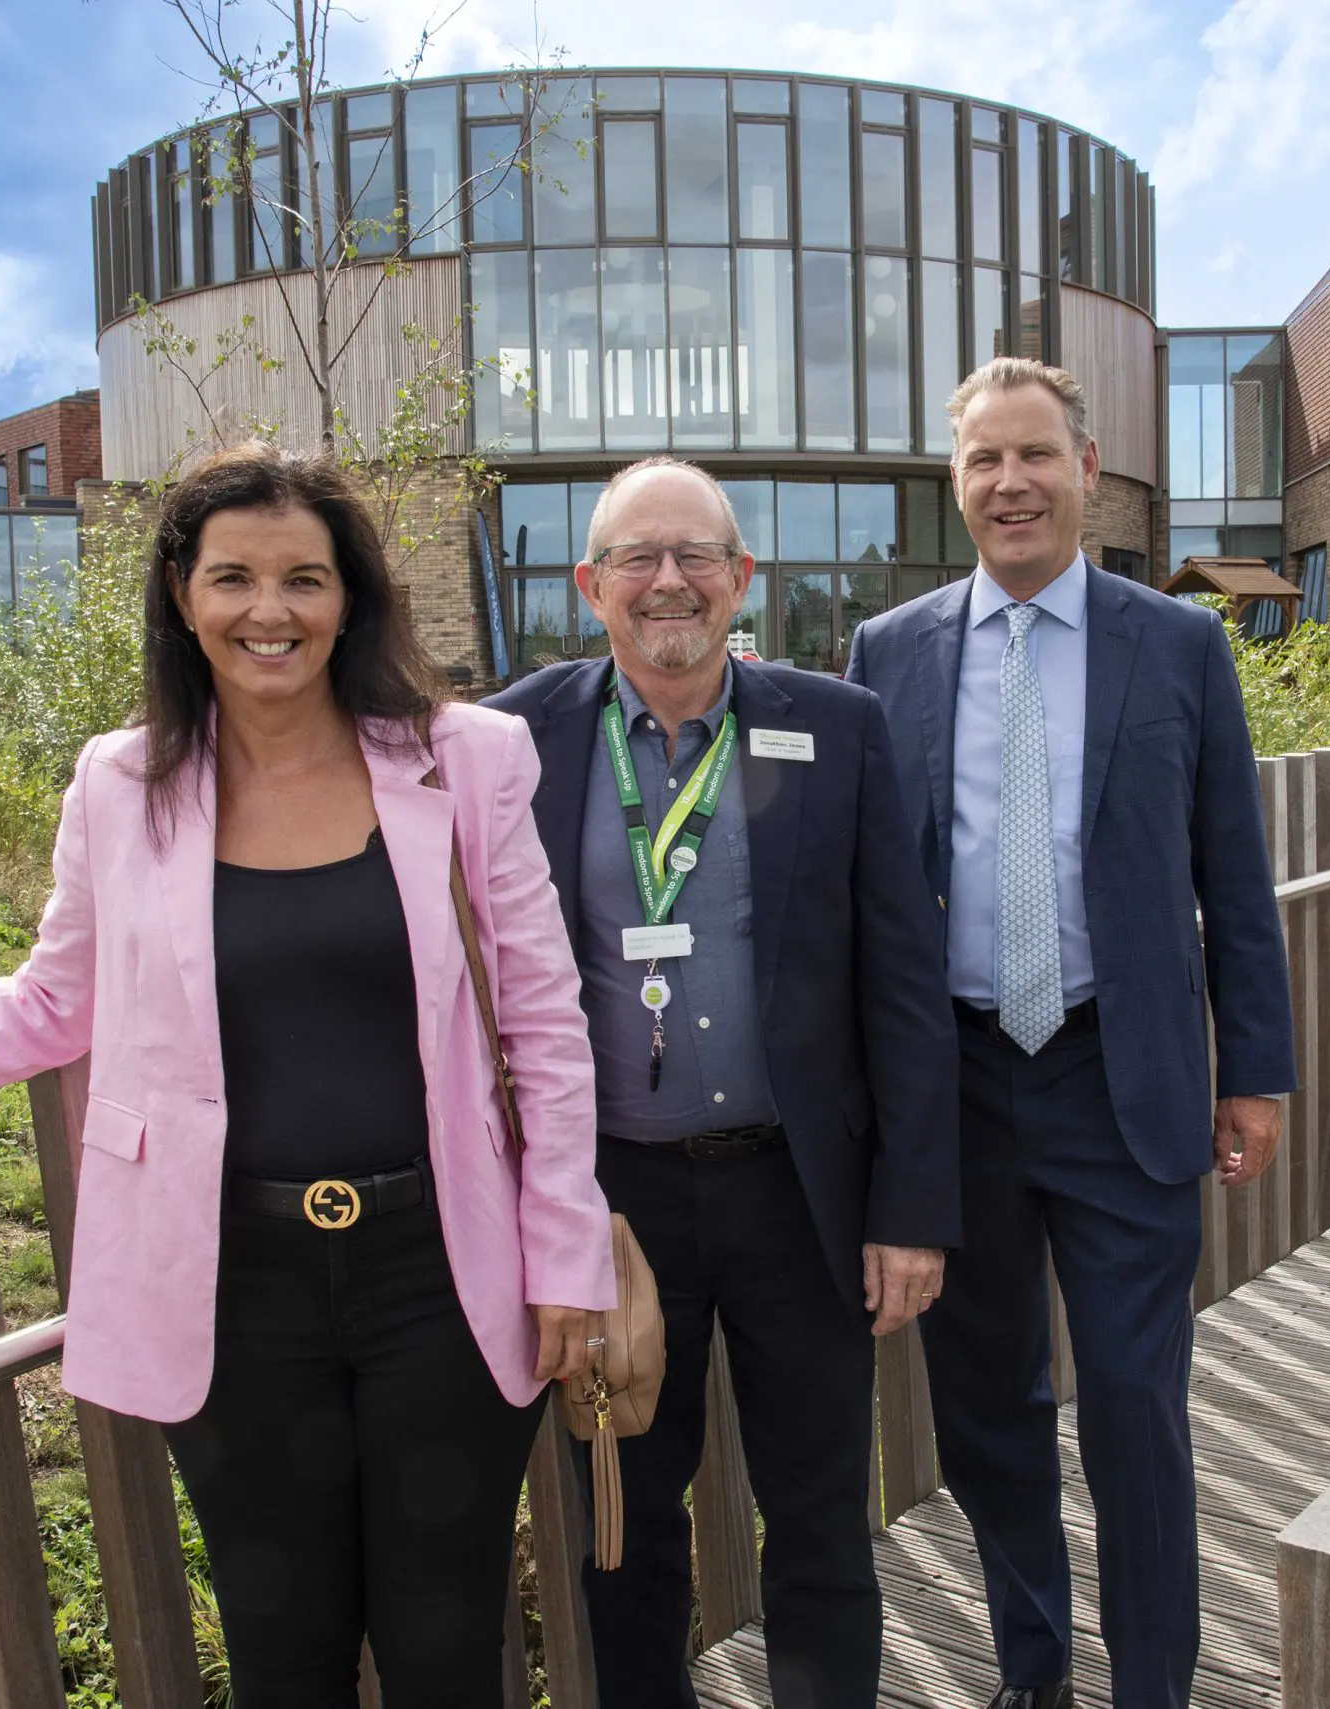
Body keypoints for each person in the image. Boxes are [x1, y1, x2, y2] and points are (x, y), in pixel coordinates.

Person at [0, 444, 615, 1708]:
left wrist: (564, 1244)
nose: (271, 611)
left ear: (348, 596)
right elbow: (52, 997)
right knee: (279, 1644)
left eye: (304, 577)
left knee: (445, 1641)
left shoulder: (463, 757)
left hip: (443, 1272)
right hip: (229, 1285)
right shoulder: (120, 780)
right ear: (183, 595)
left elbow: (540, 1014)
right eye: (234, 576)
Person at [845, 359, 1296, 1709]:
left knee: (1134, 1408)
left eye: (1035, 455)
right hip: (960, 1089)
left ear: (1089, 470)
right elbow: (871, 894)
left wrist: (1255, 1071)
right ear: (956, 483)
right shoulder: (889, 655)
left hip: (1123, 1078)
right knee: (988, 1414)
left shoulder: (1180, 647)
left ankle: (1155, 1683)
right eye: (984, 460)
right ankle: (1031, 1670)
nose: (1011, 483)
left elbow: (1236, 869)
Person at [485, 456, 959, 1709]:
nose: (668, 580)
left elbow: (901, 982)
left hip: (798, 1195)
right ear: (590, 586)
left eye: (696, 553)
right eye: (636, 557)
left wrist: (908, 1205)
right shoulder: (513, 737)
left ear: (741, 576)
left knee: (817, 1510)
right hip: (614, 1207)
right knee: (626, 1523)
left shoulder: (835, 726)